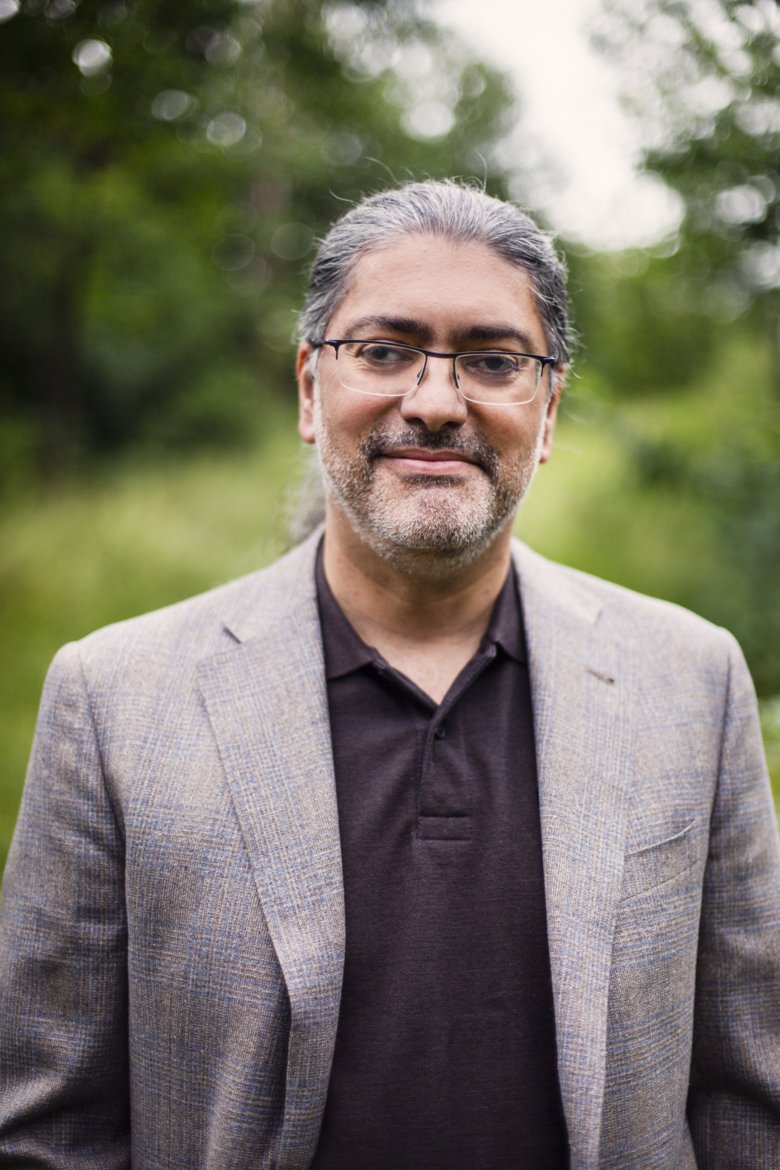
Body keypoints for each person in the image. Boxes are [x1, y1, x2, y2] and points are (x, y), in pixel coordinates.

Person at [1, 180, 778, 1170]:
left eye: (494, 361)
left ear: (546, 412)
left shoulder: (693, 681)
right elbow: (48, 1132)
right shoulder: (113, 701)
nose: (436, 401)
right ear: (307, 388)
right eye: (384, 350)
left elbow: (750, 1100)